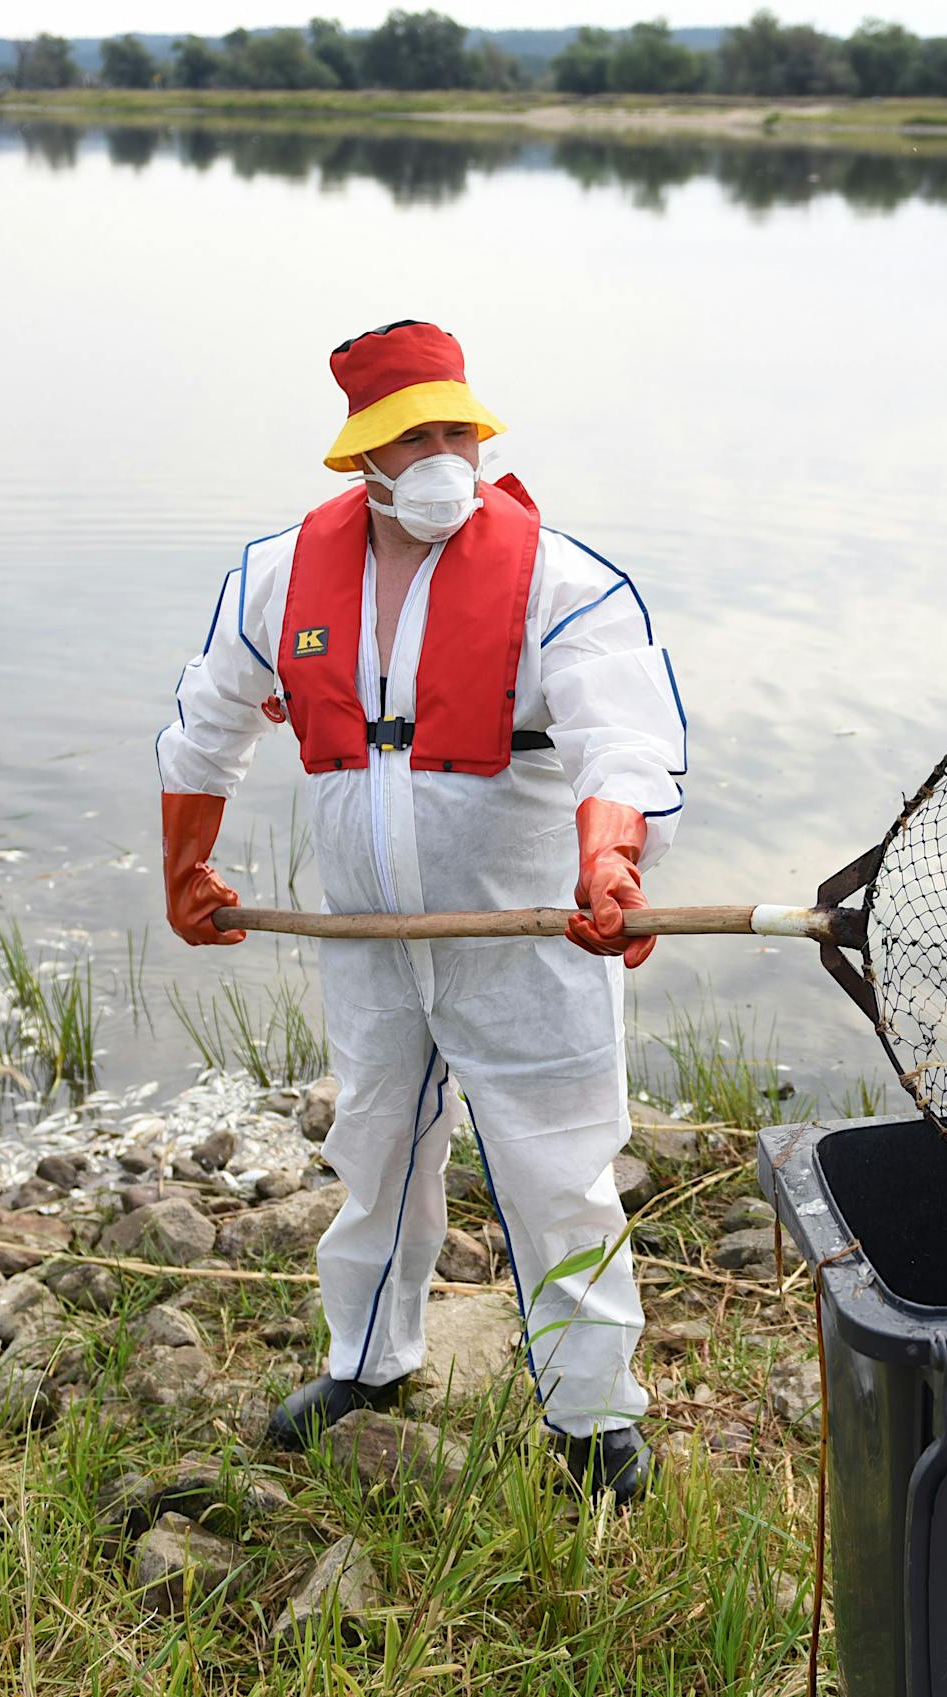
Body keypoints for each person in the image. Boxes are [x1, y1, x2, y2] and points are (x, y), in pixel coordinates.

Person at [155, 321, 686, 1504]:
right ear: (363, 457)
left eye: (459, 427)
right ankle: (367, 1365)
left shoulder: (562, 579)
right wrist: (187, 868)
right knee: (375, 1153)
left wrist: (613, 861)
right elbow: (206, 722)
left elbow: (625, 740)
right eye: (416, 433)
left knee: (559, 1176)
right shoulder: (282, 572)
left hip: (522, 950)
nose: (446, 451)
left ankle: (596, 1422)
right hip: (372, 950)